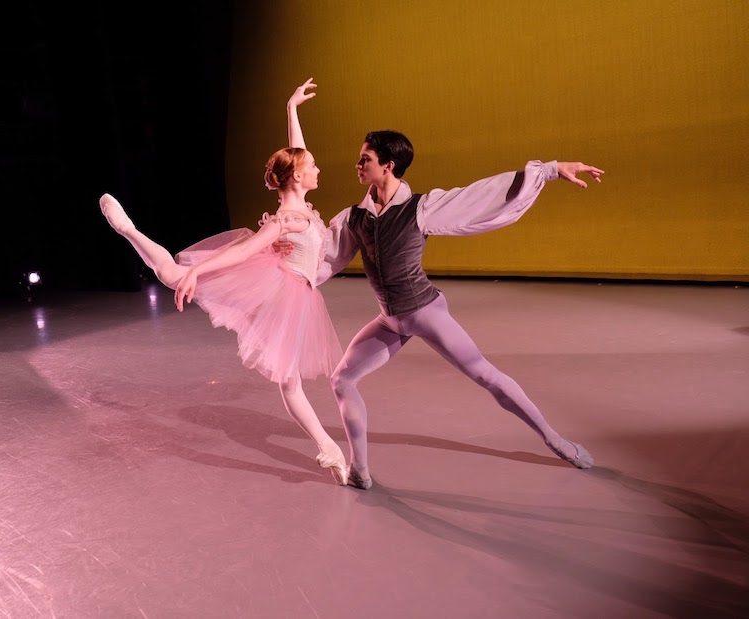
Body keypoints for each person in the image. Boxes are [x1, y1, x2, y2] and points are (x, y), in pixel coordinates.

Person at [284, 80, 605, 489]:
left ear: (388, 166)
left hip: (425, 311)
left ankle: (555, 439)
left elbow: (483, 194)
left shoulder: (422, 207)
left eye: (364, 158)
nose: (357, 164)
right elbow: (317, 252)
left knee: (484, 375)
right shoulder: (355, 217)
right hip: (390, 320)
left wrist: (553, 169)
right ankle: (360, 471)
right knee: (342, 379)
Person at [98, 80, 349, 485]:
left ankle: (329, 448)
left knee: (289, 381)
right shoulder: (289, 218)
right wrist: (200, 270)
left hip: (286, 285)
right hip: (274, 290)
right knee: (175, 274)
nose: (319, 169)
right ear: (299, 178)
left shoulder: (298, 201)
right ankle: (128, 229)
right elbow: (243, 253)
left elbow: (298, 154)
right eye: (313, 167)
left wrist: (291, 109)